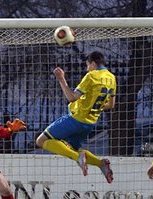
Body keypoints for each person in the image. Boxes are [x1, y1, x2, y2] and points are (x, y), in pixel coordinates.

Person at [35, 51, 115, 182]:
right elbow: (111, 104)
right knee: (72, 148)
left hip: (76, 119)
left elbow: (71, 97)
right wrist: (92, 107)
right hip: (90, 124)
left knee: (41, 141)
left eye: (87, 65)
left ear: (93, 64)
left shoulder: (91, 76)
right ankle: (101, 164)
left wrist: (61, 79)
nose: (87, 68)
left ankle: (78, 157)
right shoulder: (112, 78)